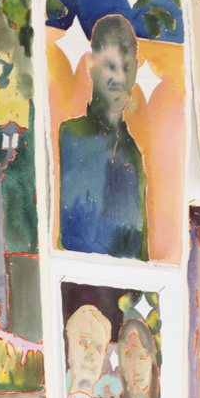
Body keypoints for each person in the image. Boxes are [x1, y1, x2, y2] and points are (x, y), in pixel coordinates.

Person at [58, 14, 148, 260]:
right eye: (111, 66)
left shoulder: (133, 152)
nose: (120, 79)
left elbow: (141, 252)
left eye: (126, 68)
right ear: (91, 64)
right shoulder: (69, 136)